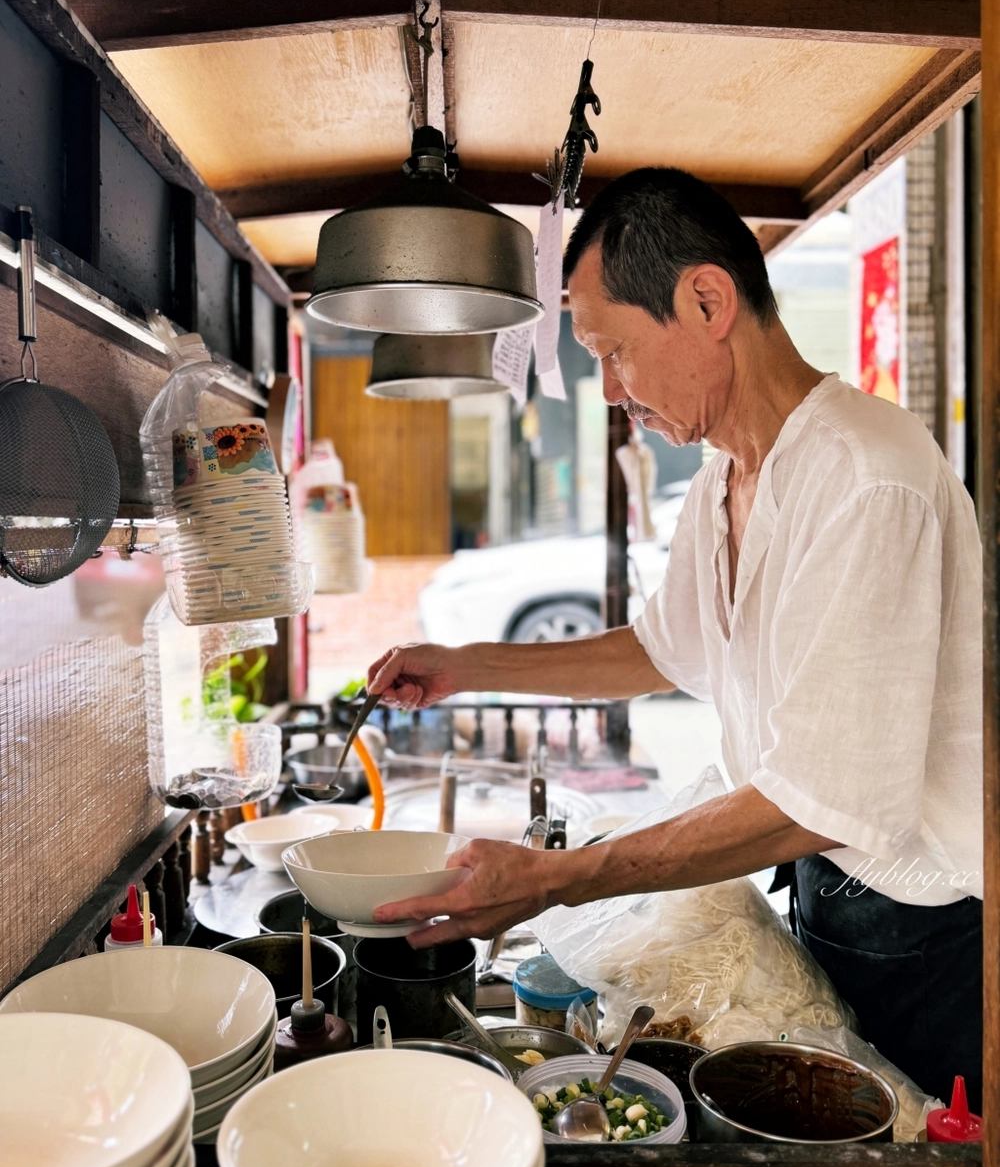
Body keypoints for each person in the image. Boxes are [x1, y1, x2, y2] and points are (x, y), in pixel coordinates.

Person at [367, 168, 983, 1106]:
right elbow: (660, 650)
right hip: (827, 893)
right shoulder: (724, 479)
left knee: (914, 1165)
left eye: (613, 351)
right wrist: (470, 666)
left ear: (706, 299)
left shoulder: (867, 478)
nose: (613, 391)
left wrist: (560, 879)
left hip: (928, 936)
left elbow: (817, 800)